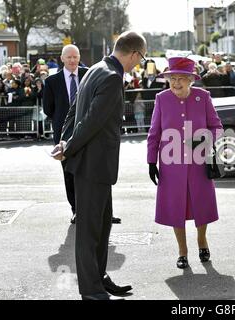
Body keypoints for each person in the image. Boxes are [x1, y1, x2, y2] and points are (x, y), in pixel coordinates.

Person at [52, 31, 147, 300]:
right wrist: (68, 146)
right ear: (134, 53)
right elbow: (92, 120)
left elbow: (73, 110)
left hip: (94, 164)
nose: (138, 64)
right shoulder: (112, 76)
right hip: (93, 164)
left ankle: (99, 277)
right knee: (89, 230)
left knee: (102, 225)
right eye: (140, 59)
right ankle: (91, 291)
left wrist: (63, 140)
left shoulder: (96, 68)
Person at [147, 57, 223, 270]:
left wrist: (206, 139)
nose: (176, 83)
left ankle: (202, 240)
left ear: (191, 80)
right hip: (171, 165)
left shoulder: (203, 97)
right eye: (172, 78)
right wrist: (151, 161)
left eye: (181, 78)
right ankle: (182, 251)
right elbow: (154, 132)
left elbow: (217, 127)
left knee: (202, 204)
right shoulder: (161, 99)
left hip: (199, 161)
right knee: (174, 207)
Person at [43, 45, 92, 225]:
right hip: (63, 135)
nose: (72, 60)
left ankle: (96, 209)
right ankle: (76, 209)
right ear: (62, 59)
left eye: (75, 57)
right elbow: (48, 109)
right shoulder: (52, 81)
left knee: (92, 171)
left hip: (87, 131)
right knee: (69, 173)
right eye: (69, 57)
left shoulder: (88, 74)